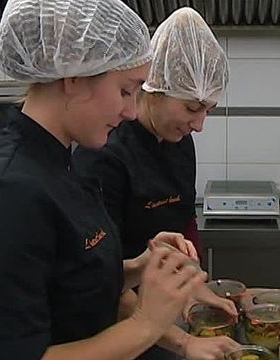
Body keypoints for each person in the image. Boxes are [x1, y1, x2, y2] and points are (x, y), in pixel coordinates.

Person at [0, 1, 236, 360]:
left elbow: (72, 283)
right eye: (126, 90)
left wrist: (140, 267)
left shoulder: (59, 164)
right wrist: (147, 323)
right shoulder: (3, 192)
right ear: (74, 79)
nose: (132, 111)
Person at [72, 7, 231, 318]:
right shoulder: (104, 154)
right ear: (155, 90)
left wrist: (195, 285)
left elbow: (185, 225)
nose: (199, 125)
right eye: (191, 108)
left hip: (162, 303)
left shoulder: (179, 141)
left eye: (207, 111)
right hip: (115, 311)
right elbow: (96, 274)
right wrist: (168, 335)